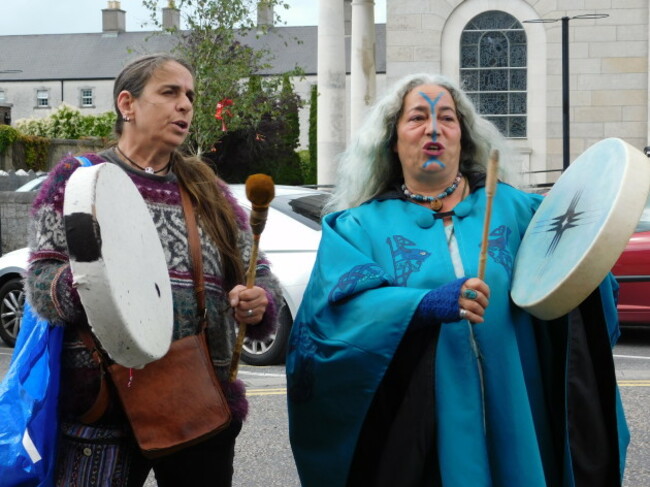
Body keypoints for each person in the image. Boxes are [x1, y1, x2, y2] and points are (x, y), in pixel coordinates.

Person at [286, 73, 629, 487]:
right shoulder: (358, 227)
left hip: (519, 405)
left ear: (463, 137)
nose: (433, 128)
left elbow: (579, 275)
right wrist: (423, 305)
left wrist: (592, 268)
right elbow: (331, 319)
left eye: (447, 118)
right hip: (422, 426)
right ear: (391, 141)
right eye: (416, 118)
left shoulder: (521, 212)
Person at [25, 54, 283, 486]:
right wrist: (101, 281)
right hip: (101, 405)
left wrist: (257, 303)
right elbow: (40, 287)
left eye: (190, 96)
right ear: (127, 104)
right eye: (169, 92)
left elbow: (259, 278)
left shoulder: (208, 191)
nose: (185, 104)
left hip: (196, 402)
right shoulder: (79, 179)